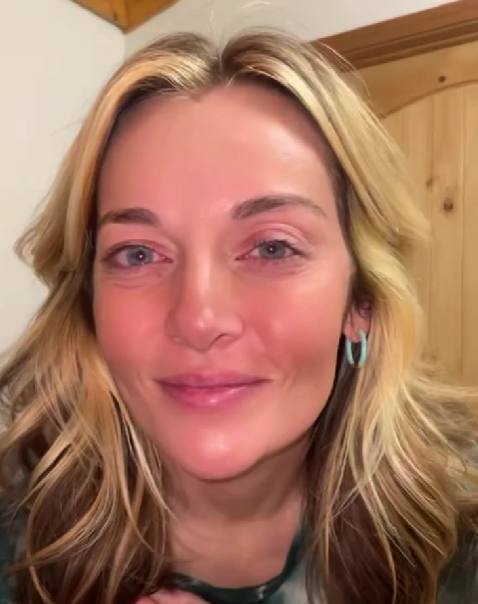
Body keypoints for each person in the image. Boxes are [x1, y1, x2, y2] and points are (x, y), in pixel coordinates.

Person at [0, 29, 477, 604]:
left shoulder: (461, 539)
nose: (199, 319)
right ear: (90, 304)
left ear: (361, 303)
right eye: (138, 254)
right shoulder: (13, 533)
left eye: (272, 248)